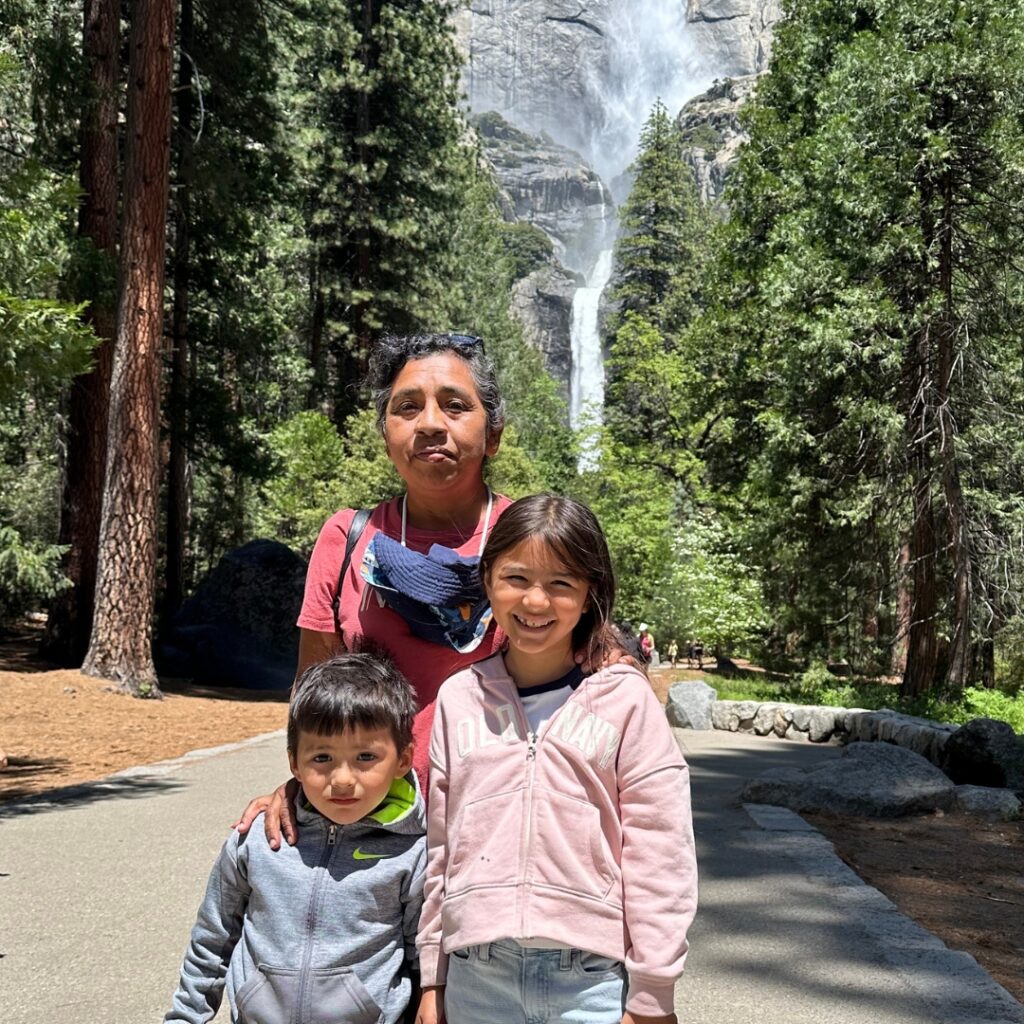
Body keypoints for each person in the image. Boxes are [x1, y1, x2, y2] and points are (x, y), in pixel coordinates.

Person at [415, 495, 698, 1024]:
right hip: (477, 975)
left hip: (588, 982)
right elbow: (442, 847)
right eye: (516, 578)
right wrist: (433, 975)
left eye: (562, 584)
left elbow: (661, 848)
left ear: (591, 594)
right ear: (488, 579)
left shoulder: (625, 701)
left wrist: (653, 991)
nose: (536, 602)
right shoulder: (459, 699)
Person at [236, 332, 512, 846]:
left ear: (493, 434)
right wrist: (302, 787)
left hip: (505, 827)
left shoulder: (530, 541)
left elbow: (599, 677)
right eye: (407, 407)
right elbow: (313, 692)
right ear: (386, 434)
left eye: (455, 406)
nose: (430, 423)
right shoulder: (347, 539)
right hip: (376, 831)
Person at [166, 654, 426, 1024]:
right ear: (294, 763)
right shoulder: (256, 840)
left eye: (365, 756)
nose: (342, 779)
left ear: (403, 760)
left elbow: (422, 957)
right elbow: (212, 936)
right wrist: (185, 1017)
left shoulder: (413, 852)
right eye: (322, 757)